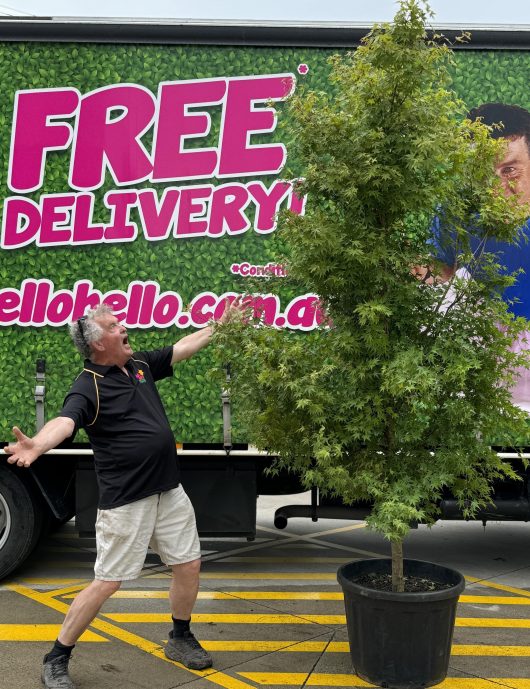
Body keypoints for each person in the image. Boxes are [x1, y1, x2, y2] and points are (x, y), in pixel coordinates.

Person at [5, 298, 241, 689]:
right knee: (107, 581)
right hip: (128, 500)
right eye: (116, 326)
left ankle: (179, 637)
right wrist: (37, 446)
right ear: (99, 343)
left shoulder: (140, 366)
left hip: (169, 490)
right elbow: (65, 421)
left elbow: (181, 347)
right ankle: (56, 656)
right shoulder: (87, 386)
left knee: (188, 565)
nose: (124, 327)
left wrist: (221, 324)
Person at [433, 102, 530, 411]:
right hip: (481, 359)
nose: (495, 189)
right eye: (481, 174)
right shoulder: (455, 211)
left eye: (510, 170)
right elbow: (438, 271)